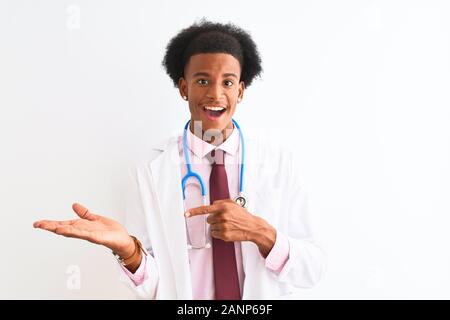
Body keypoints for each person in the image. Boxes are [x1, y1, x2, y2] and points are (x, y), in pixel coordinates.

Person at [33, 20, 325, 300]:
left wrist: (261, 233)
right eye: (202, 80)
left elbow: (312, 269)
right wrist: (127, 250)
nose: (215, 93)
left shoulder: (278, 162)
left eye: (227, 82)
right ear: (184, 88)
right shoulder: (150, 169)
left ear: (241, 90)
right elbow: (153, 287)